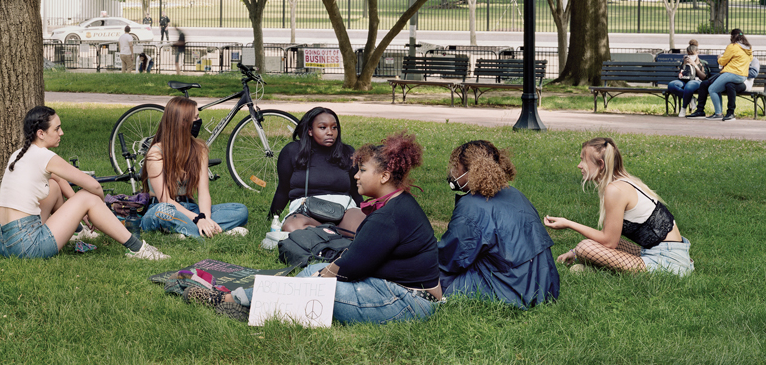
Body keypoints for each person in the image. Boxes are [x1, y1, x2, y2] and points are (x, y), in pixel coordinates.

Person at [188, 131, 441, 323]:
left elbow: (352, 265)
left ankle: (234, 301)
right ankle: (251, 303)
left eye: (362, 170)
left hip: (408, 302)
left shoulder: (391, 215)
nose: (356, 176)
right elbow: (355, 259)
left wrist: (324, 276)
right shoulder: (396, 204)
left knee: (313, 285)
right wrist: (324, 272)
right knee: (315, 271)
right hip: (395, 289)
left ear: (384, 176)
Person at [0, 106, 169, 260]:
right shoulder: (45, 156)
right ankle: (138, 249)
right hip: (27, 247)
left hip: (3, 241)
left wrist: (80, 213)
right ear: (41, 133)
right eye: (57, 129)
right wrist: (99, 205)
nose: (61, 133)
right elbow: (94, 186)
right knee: (88, 197)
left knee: (54, 186)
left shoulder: (19, 154)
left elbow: (59, 179)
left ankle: (77, 231)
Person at [543, 137, 693, 276]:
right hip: (665, 253)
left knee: (585, 247)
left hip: (669, 262)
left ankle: (595, 267)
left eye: (583, 160)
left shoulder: (615, 190)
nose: (579, 165)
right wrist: (574, 252)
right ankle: (594, 266)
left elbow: (609, 242)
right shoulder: (623, 181)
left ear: (601, 164)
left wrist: (568, 223)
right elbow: (609, 238)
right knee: (587, 246)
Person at [438, 140, 559, 308]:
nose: (453, 172)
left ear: (469, 170)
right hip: (545, 286)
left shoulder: (471, 205)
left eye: (456, 167)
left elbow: (451, 259)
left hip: (512, 291)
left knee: (429, 275)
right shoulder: (515, 193)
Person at [138, 96, 249, 239]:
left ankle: (186, 231)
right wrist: (197, 220)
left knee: (240, 210)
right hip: (162, 208)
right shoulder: (156, 153)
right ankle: (209, 232)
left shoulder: (199, 149)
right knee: (162, 212)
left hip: (190, 208)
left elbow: (203, 192)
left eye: (198, 117)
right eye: (194, 118)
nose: (198, 122)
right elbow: (164, 199)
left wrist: (205, 217)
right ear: (181, 122)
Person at [268, 107, 365, 234]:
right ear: (310, 130)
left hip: (344, 210)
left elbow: (355, 191)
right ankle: (336, 236)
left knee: (364, 226)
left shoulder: (347, 152)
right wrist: (271, 218)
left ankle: (322, 235)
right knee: (292, 227)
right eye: (323, 127)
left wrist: (364, 213)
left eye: (334, 127)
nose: (330, 132)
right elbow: (283, 190)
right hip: (306, 212)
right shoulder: (292, 151)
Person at [687, 28, 751, 120]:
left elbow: (722, 62)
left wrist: (719, 58)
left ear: (732, 36)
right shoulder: (748, 48)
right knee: (716, 88)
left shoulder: (732, 46)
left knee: (712, 89)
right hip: (742, 76)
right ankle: (719, 113)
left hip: (732, 73)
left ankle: (718, 114)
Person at [666, 42, 706, 116]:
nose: (691, 56)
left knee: (689, 85)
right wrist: (684, 65)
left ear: (697, 53)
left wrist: (695, 65)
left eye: (692, 54)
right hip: (684, 80)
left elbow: (704, 77)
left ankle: (683, 108)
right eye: (689, 54)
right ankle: (691, 99)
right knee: (672, 85)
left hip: (696, 81)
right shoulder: (685, 61)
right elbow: (680, 75)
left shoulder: (702, 63)